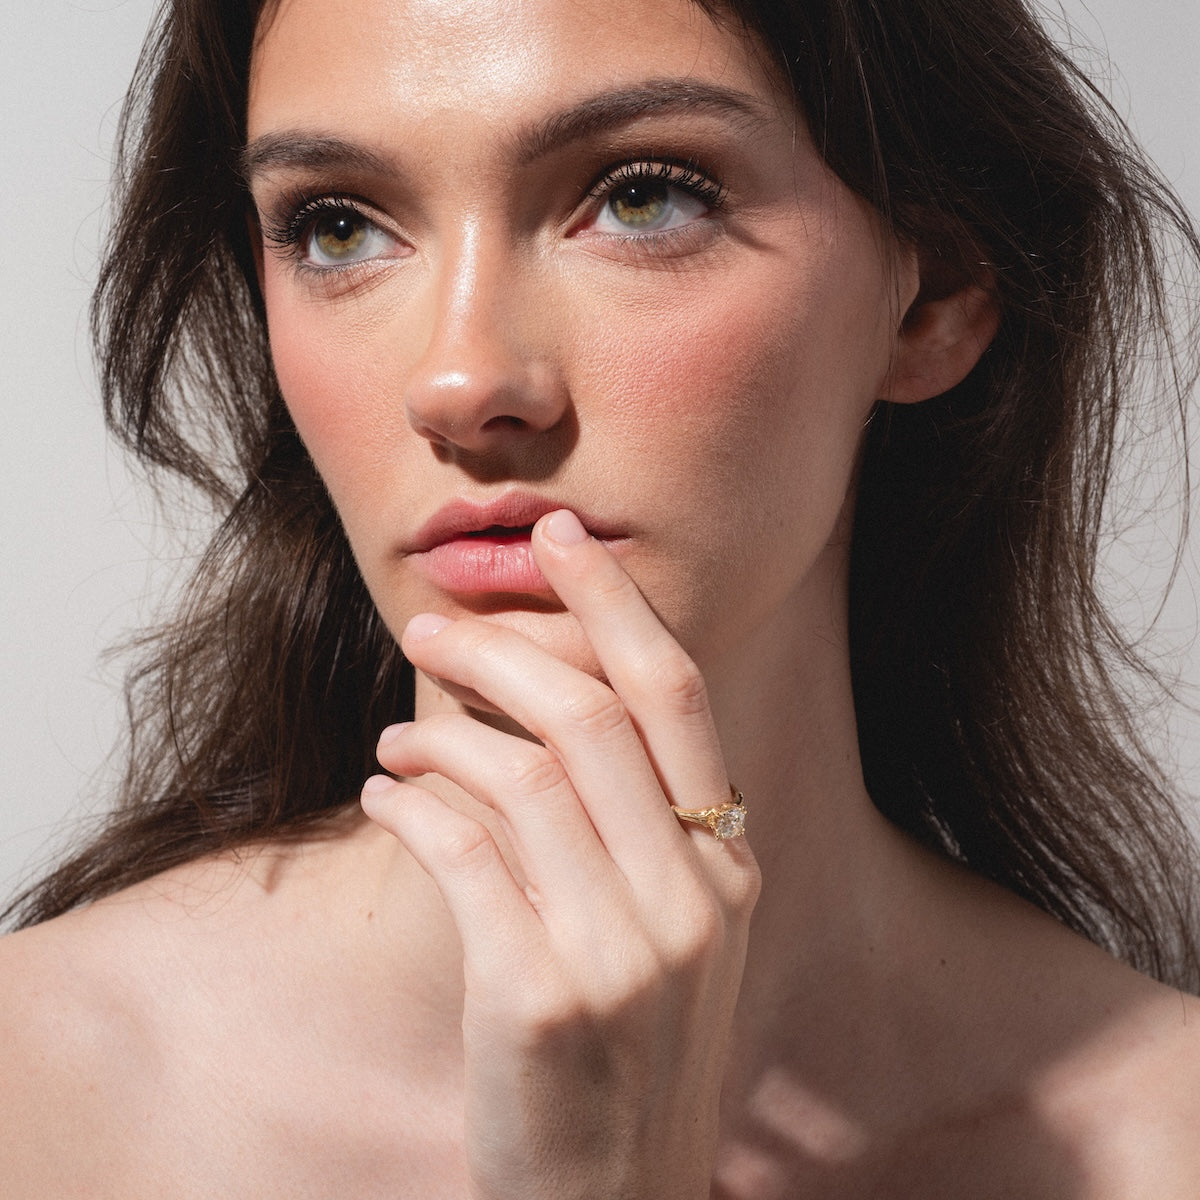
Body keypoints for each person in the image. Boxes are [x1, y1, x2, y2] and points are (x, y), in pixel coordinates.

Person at [2, 0, 1199, 1193]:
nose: (462, 381)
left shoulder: (1159, 1138)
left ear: (931, 295)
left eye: (642, 195)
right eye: (337, 227)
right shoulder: (43, 1091)